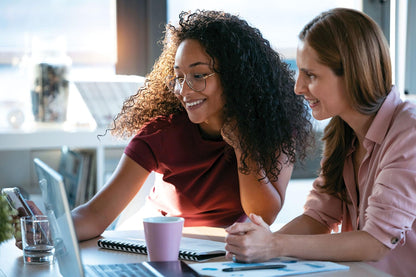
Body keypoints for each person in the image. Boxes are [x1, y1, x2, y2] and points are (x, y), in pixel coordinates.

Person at [11, 10, 311, 245]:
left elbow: (264, 215)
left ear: (235, 77)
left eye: (199, 75)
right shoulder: (161, 133)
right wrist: (50, 230)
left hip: (225, 251)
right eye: (179, 76)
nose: (184, 89)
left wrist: (242, 144)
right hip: (154, 244)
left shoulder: (272, 128)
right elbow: (96, 213)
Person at [224, 7, 416, 277]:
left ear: (352, 74)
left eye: (311, 75)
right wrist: (256, 244)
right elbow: (319, 217)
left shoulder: (410, 132)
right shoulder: (344, 131)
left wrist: (273, 245)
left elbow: (376, 243)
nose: (298, 87)